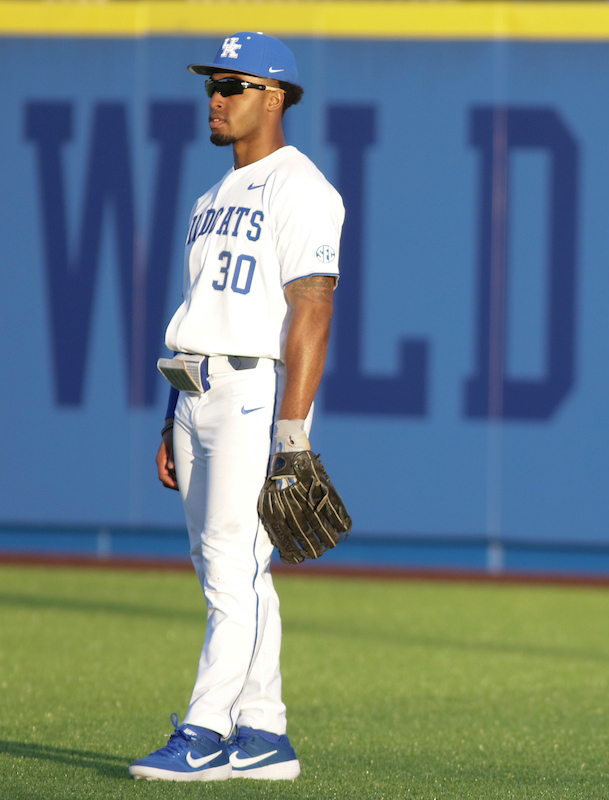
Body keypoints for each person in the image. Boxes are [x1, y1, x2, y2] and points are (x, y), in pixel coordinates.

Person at [129, 32, 344, 781]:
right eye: (211, 87)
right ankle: (264, 731)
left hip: (257, 390)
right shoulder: (210, 197)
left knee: (231, 563)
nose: (215, 100)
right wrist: (169, 415)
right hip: (195, 392)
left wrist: (294, 433)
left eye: (232, 85)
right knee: (230, 567)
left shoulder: (303, 188)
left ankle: (205, 730)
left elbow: (310, 310)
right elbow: (202, 307)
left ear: (275, 95)